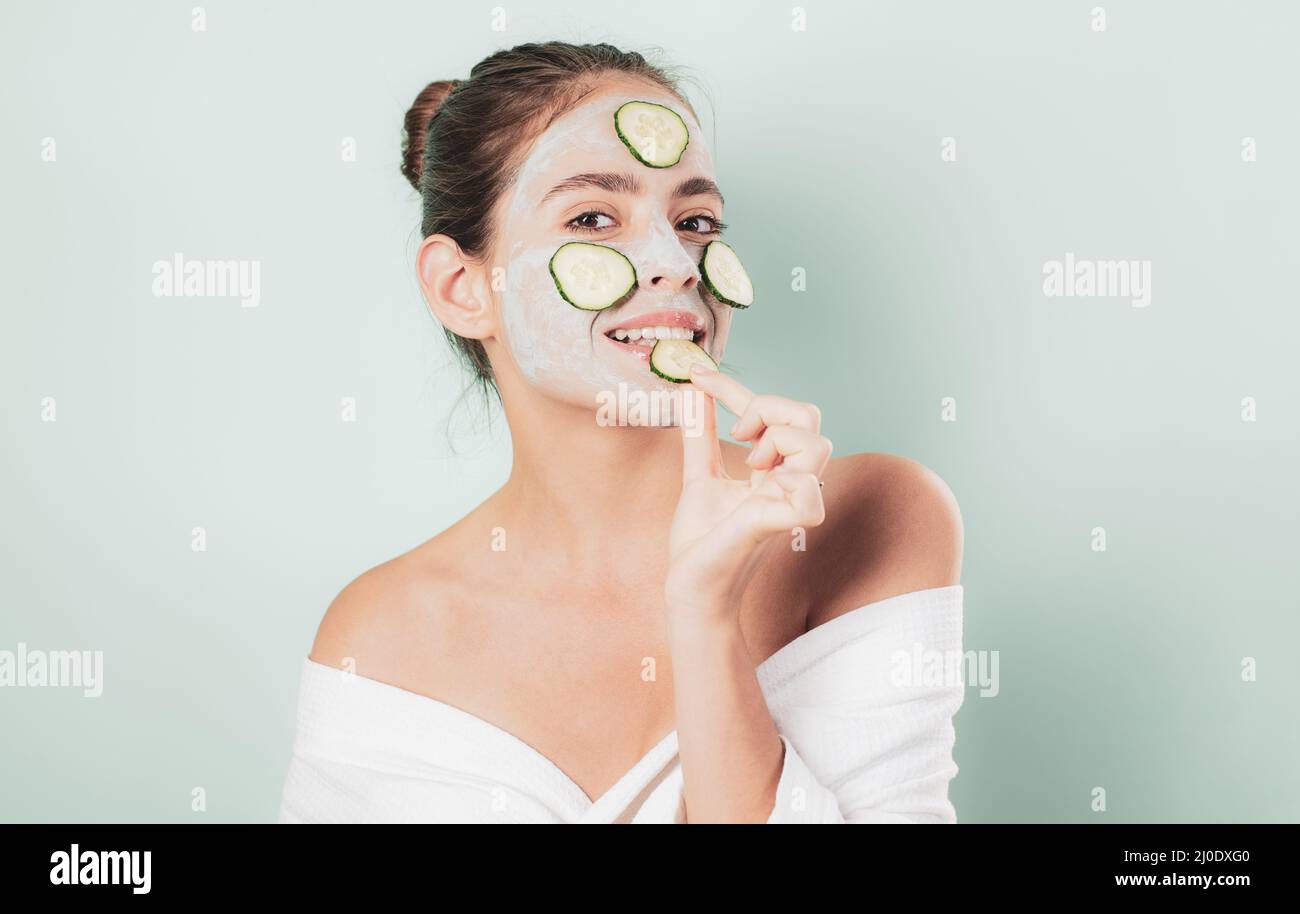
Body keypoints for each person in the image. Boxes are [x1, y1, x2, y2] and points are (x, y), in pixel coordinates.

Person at [278, 41, 965, 824]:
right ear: (464, 288)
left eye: (696, 220)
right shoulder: (379, 636)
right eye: (594, 217)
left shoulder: (865, 516)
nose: (674, 261)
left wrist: (704, 617)